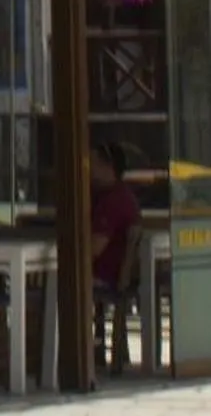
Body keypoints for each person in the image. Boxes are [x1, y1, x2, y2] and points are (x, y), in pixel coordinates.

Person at [92, 142, 142, 366]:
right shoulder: (116, 196)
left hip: (105, 275)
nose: (89, 168)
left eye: (93, 162)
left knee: (55, 284)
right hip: (110, 273)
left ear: (107, 166)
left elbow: (93, 249)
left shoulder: (113, 201)